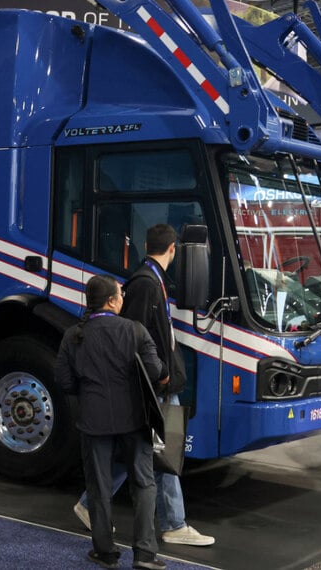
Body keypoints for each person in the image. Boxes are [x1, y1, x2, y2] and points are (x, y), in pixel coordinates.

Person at [75, 224, 215, 547]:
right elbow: (134, 337)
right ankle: (173, 523)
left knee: (154, 450)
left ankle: (90, 505)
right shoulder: (146, 283)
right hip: (154, 385)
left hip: (157, 383)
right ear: (173, 250)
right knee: (165, 450)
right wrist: (160, 374)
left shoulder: (151, 281)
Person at [57, 274, 169, 570]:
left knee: (99, 486)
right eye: (120, 294)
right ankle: (145, 554)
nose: (123, 298)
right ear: (110, 301)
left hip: (93, 421)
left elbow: (64, 381)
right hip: (135, 419)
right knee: (144, 484)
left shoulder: (73, 335)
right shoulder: (135, 331)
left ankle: (105, 552)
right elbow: (155, 371)